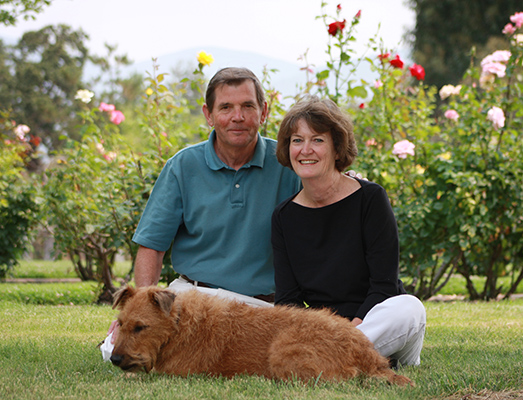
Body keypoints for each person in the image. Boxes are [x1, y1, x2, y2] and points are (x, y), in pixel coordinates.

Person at [103, 67, 301, 352]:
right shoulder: (182, 166)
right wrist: (138, 312)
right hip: (192, 298)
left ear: (264, 111)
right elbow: (151, 246)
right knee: (117, 351)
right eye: (226, 107)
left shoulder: (287, 163)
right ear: (208, 114)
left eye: (248, 106)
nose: (238, 117)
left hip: (259, 305)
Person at [271, 96, 426, 366]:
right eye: (297, 140)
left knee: (410, 308)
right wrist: (320, 334)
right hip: (325, 332)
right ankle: (352, 360)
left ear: (337, 148)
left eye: (317, 140)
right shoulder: (284, 217)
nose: (305, 149)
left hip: (379, 321)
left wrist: (347, 333)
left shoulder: (370, 199)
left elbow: (384, 286)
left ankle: (333, 359)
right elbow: (288, 301)